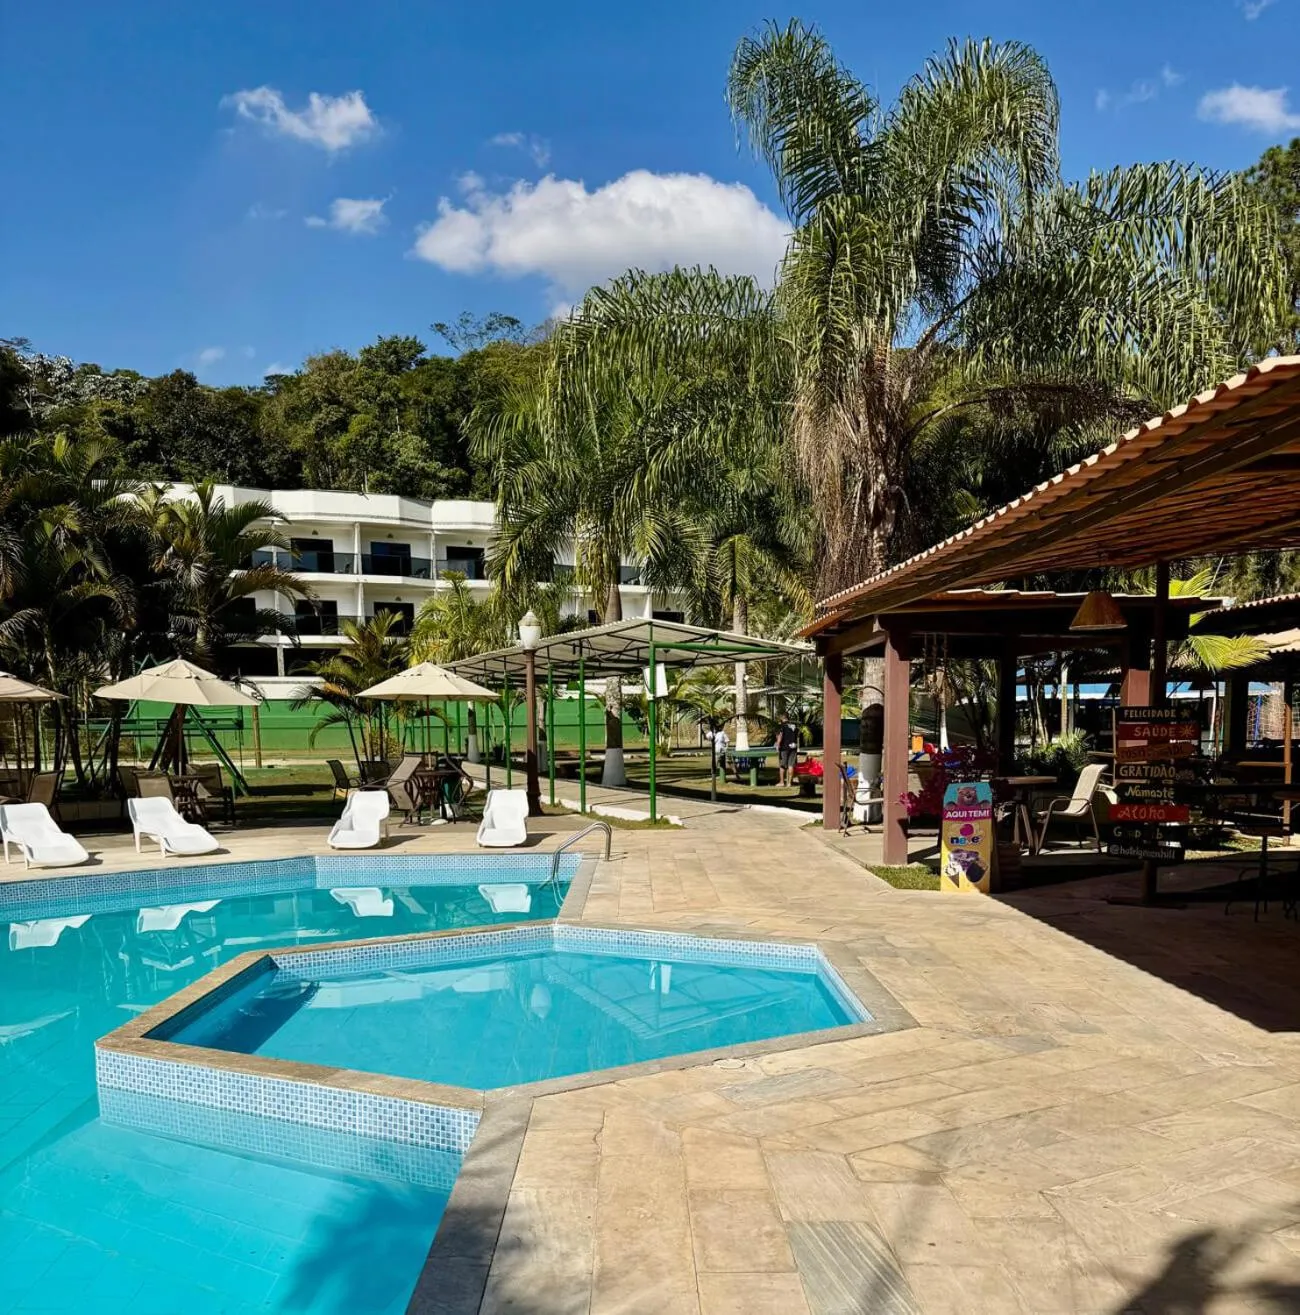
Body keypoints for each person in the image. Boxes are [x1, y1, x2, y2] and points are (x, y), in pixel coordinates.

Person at [776, 717, 800, 787]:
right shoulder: (795, 726)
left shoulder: (782, 726)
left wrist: (777, 745)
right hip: (793, 747)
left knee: (782, 765)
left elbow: (780, 736)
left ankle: (782, 782)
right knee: (791, 765)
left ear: (782, 719)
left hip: (784, 748)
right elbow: (798, 735)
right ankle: (789, 783)